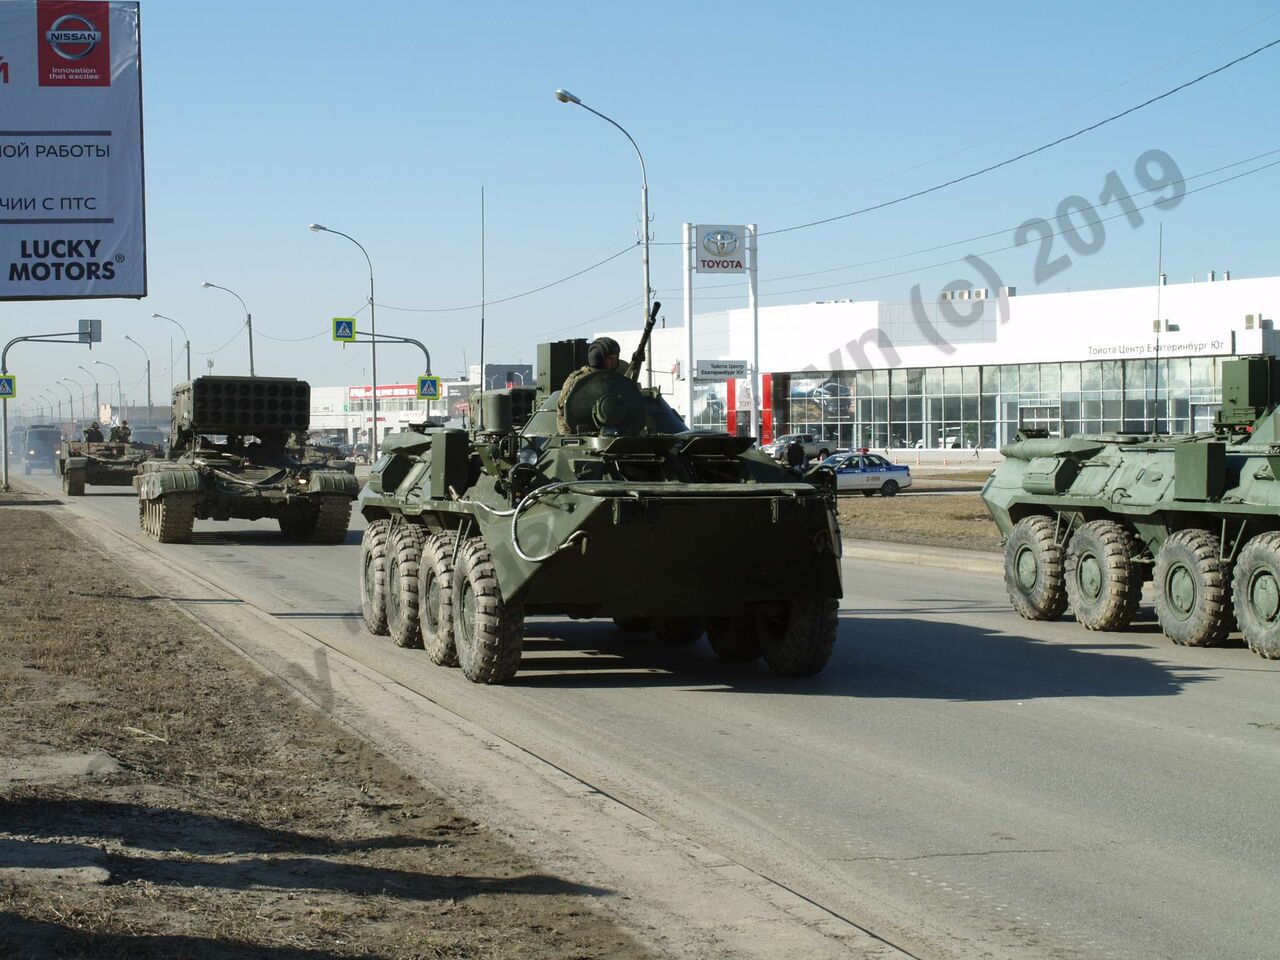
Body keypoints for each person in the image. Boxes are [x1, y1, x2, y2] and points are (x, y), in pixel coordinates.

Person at [556, 337, 621, 434]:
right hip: (581, 433)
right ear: (597, 358)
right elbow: (563, 409)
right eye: (611, 358)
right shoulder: (578, 380)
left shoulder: (615, 378)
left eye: (616, 358)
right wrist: (569, 436)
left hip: (612, 432)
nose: (614, 362)